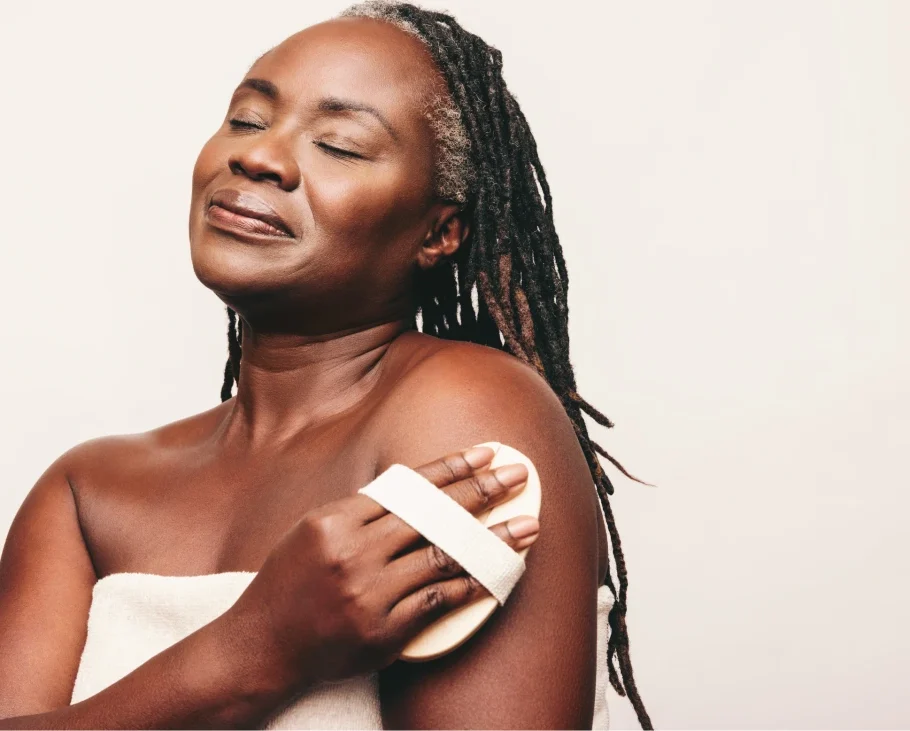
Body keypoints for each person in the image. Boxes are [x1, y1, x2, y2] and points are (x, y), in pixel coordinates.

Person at [0, 1, 652, 728]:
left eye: (339, 145)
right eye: (247, 119)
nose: (257, 156)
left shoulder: (465, 411)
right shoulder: (87, 492)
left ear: (439, 232)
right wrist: (257, 648)